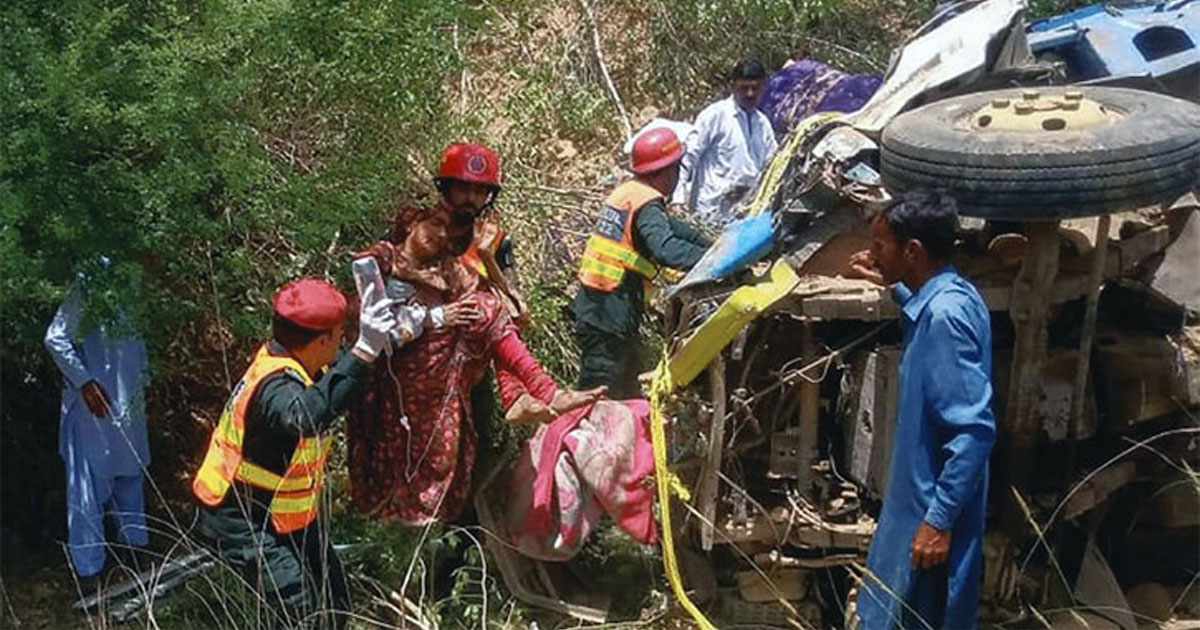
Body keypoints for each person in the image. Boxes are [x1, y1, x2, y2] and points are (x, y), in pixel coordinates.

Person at [348, 201, 605, 526]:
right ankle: (395, 538)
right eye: (436, 225)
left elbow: (514, 310)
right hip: (389, 376)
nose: (441, 236)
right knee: (400, 465)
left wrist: (486, 258)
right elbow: (377, 327)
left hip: (442, 376)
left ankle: (532, 391)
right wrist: (436, 315)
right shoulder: (381, 259)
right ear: (411, 223)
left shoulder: (450, 266)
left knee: (486, 311)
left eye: (449, 234)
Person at [192, 278, 398, 629]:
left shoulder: (290, 359)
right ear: (321, 341)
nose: (343, 343)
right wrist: (363, 350)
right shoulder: (277, 386)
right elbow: (304, 415)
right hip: (242, 520)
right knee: (303, 614)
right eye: (340, 336)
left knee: (334, 601)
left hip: (285, 515)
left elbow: (334, 385)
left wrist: (386, 340)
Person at [847, 191, 996, 629]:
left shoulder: (944, 319)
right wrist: (889, 283)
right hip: (915, 507)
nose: (872, 253)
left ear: (912, 251)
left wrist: (938, 520)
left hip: (926, 514)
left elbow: (973, 431)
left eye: (880, 246)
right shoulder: (951, 294)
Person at [573, 127, 711, 399]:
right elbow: (666, 249)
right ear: (670, 170)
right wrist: (713, 259)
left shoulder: (629, 193)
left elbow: (673, 228)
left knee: (621, 393)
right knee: (598, 398)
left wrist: (711, 243)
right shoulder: (647, 202)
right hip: (610, 314)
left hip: (599, 309)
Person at [44, 262, 151, 593]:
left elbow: (137, 338)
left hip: (128, 396)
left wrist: (145, 378)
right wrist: (84, 382)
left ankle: (135, 552)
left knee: (130, 472)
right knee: (87, 486)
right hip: (94, 403)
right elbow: (55, 337)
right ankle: (89, 570)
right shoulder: (91, 276)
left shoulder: (133, 275)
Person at [672, 58, 779, 225]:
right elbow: (688, 158)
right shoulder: (715, 116)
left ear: (763, 87)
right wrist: (677, 199)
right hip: (710, 214)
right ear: (733, 86)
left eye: (755, 88)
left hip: (747, 214)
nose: (750, 94)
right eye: (744, 88)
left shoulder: (763, 124)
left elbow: (773, 165)